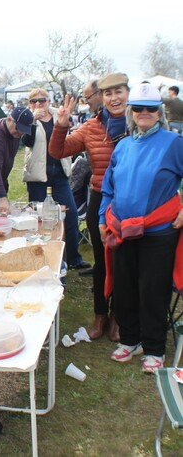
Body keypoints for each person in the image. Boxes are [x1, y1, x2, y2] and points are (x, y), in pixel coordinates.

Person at [99, 83, 183, 373]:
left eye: (150, 108)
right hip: (122, 229)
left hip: (158, 231)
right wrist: (101, 218)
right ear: (131, 112)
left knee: (153, 289)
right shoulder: (122, 145)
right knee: (125, 287)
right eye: (139, 108)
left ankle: (154, 347)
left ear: (158, 112)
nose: (144, 113)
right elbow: (108, 187)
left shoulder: (174, 143)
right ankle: (130, 339)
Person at [49, 73, 130, 341]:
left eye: (119, 92)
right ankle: (100, 316)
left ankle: (119, 317)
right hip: (99, 197)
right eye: (109, 93)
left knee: (125, 261)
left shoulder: (137, 125)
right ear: (101, 98)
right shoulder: (92, 127)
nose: (114, 98)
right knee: (101, 259)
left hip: (131, 201)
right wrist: (61, 125)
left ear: (127, 94)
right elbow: (58, 151)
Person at [22, 88, 89, 270]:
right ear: (29, 104)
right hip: (38, 176)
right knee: (39, 219)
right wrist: (32, 119)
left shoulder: (59, 116)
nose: (38, 104)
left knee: (71, 214)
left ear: (48, 101)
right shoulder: (28, 120)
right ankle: (42, 258)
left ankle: (73, 257)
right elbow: (26, 142)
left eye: (42, 100)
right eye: (34, 101)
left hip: (59, 173)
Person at [0, 107, 34, 215]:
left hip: (0, 181)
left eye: (24, 130)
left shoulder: (13, 131)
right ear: (9, 119)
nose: (20, 133)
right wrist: (2, 198)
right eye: (19, 128)